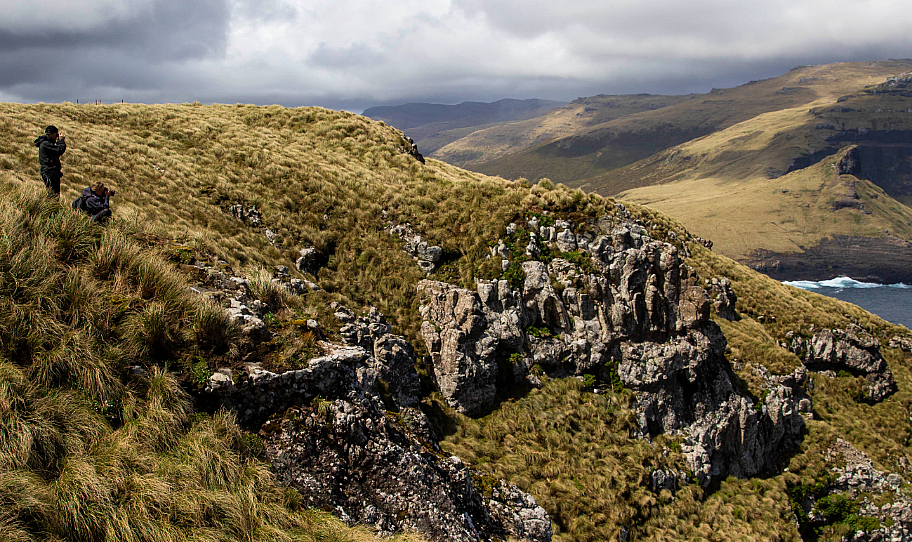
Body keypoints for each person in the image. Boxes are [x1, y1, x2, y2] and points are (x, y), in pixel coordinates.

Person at [34, 125, 67, 197]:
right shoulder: (46, 144)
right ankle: (51, 207)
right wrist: (61, 141)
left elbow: (56, 153)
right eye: (56, 134)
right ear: (51, 134)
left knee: (54, 194)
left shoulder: (46, 143)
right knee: (53, 194)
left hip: (50, 171)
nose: (57, 136)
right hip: (50, 172)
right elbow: (60, 150)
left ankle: (51, 206)